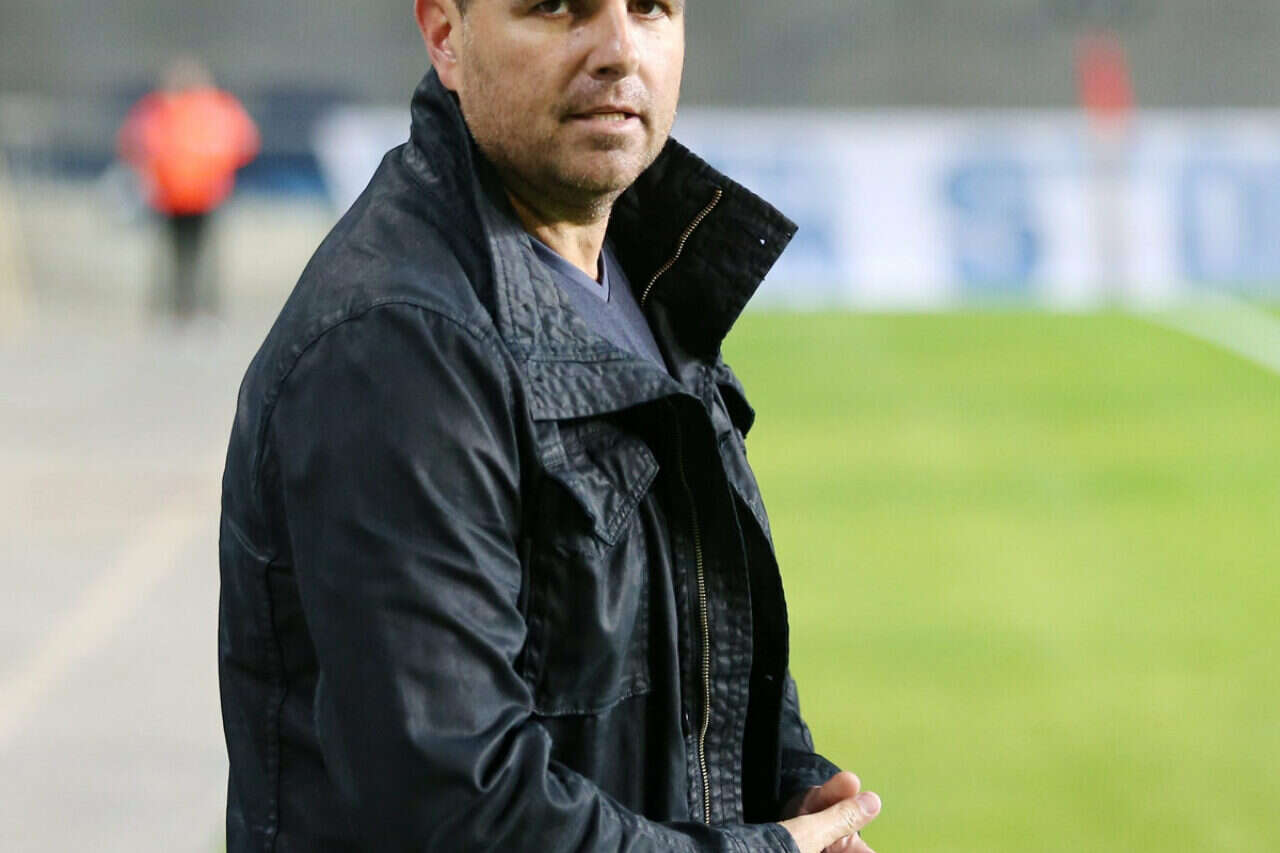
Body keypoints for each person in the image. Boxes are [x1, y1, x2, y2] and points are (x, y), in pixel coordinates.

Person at [218, 1, 882, 850]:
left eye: (651, 8)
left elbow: (658, 651)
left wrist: (781, 780)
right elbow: (459, 808)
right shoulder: (395, 344)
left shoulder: (637, 272)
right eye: (558, 7)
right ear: (446, 34)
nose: (618, 50)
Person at [118, 58, 259, 319]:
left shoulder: (212, 108)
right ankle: (177, 309)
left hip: (202, 194)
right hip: (172, 194)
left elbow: (243, 143)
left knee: (198, 255)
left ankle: (198, 309)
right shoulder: (163, 108)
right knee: (176, 256)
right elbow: (136, 142)